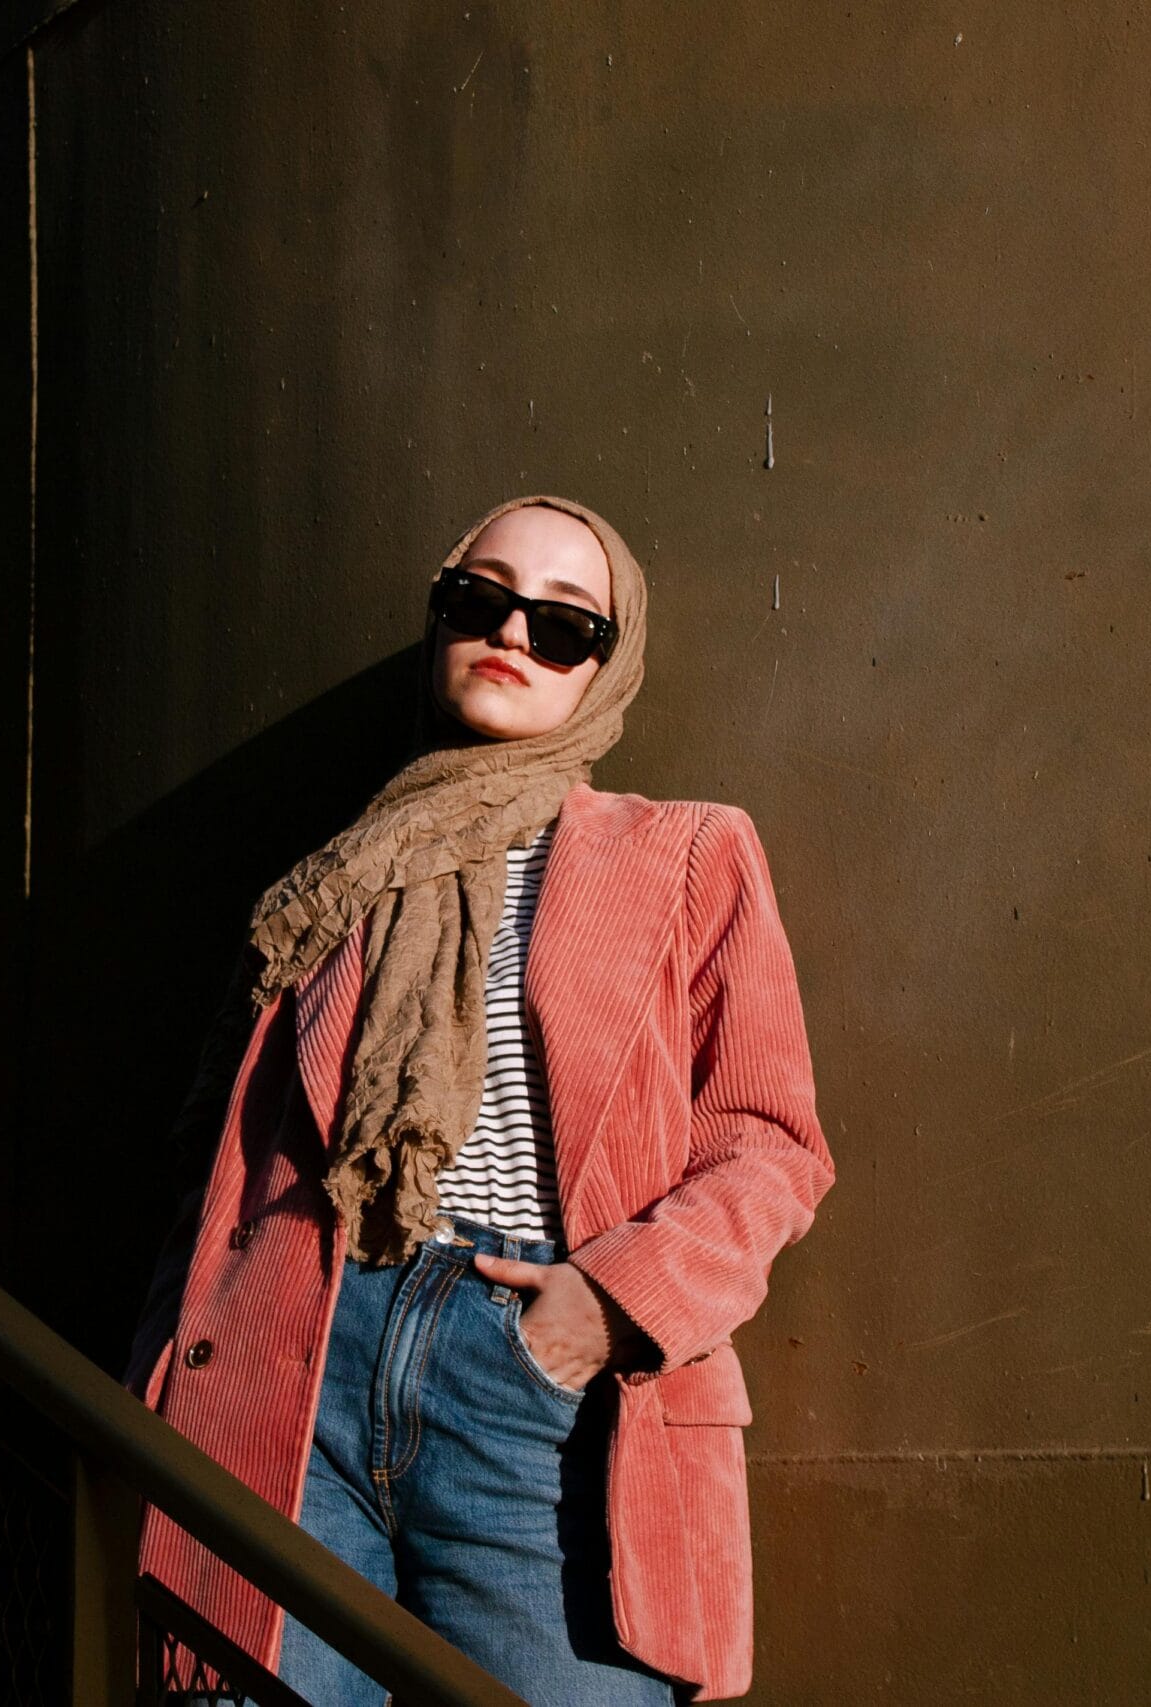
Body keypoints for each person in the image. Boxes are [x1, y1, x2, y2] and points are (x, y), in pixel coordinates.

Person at [124, 493, 833, 1704]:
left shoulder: (684, 852)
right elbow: (220, 1161)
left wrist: (602, 1309)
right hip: (297, 1362)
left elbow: (768, 1142)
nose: (512, 633)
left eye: (563, 625)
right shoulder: (333, 881)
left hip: (543, 1393)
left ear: (607, 665)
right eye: (480, 600)